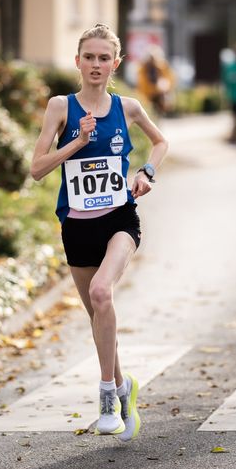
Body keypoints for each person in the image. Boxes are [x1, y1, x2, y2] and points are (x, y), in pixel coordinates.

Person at [31, 24, 168, 441]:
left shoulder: (127, 107)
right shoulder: (60, 107)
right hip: (76, 226)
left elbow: (160, 143)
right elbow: (37, 169)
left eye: (103, 58)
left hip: (119, 221)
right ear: (77, 62)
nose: (95, 64)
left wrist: (146, 171)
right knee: (98, 316)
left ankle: (108, 398)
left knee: (102, 293)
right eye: (88, 57)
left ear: (116, 63)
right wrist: (78, 141)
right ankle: (125, 388)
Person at [137, 46, 175, 115]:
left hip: (158, 92)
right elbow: (141, 82)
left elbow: (169, 78)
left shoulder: (161, 66)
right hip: (148, 93)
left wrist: (166, 87)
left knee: (159, 108)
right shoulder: (144, 68)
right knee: (150, 111)